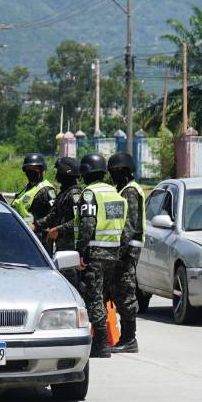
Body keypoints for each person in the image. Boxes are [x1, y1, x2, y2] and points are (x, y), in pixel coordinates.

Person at [75, 153, 125, 359]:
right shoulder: (114, 193)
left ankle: (101, 344)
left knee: (93, 296)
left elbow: (87, 223)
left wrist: (81, 251)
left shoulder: (90, 193)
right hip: (113, 251)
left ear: (86, 172)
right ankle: (102, 339)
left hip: (95, 252)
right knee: (103, 295)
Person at [108, 152, 144, 354]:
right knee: (120, 293)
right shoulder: (122, 189)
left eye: (116, 171)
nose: (113, 175)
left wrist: (118, 252)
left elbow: (128, 226)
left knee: (126, 294)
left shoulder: (130, 191)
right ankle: (125, 337)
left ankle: (130, 339)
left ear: (126, 171)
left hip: (127, 251)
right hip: (123, 250)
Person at [42, 157, 83, 272]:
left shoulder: (75, 193)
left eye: (58, 172)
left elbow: (78, 221)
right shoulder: (64, 193)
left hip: (71, 249)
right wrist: (35, 225)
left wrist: (58, 230)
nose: (57, 175)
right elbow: (53, 215)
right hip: (61, 247)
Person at [10, 153, 56, 247]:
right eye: (29, 169)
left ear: (41, 170)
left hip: (39, 239)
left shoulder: (47, 190)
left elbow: (55, 214)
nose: (31, 171)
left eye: (35, 169)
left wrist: (36, 225)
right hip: (24, 234)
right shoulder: (26, 189)